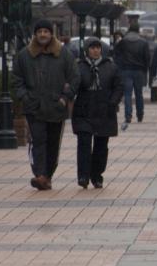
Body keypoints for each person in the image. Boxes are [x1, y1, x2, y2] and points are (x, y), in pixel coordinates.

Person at [12, 19, 79, 190]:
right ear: (35, 34)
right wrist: (25, 97)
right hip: (34, 107)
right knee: (37, 141)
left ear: (51, 34)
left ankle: (48, 175)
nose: (43, 34)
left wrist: (65, 98)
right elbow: (16, 80)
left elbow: (74, 78)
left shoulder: (63, 54)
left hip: (56, 107)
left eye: (46, 31)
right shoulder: (24, 55)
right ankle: (39, 174)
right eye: (40, 31)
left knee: (53, 143)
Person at [72, 38, 122, 189]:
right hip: (84, 110)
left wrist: (112, 102)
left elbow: (118, 86)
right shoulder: (79, 67)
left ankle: (97, 175)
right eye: (92, 48)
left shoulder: (110, 67)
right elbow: (72, 85)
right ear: (87, 50)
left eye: (97, 48)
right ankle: (83, 175)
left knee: (101, 146)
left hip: (104, 111)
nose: (95, 51)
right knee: (84, 144)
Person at [114, 23, 150, 129]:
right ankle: (140, 115)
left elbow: (117, 55)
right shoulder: (143, 42)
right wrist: (145, 69)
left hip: (126, 70)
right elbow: (147, 58)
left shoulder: (123, 42)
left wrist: (120, 67)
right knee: (139, 94)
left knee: (127, 94)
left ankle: (128, 116)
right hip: (139, 71)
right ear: (138, 31)